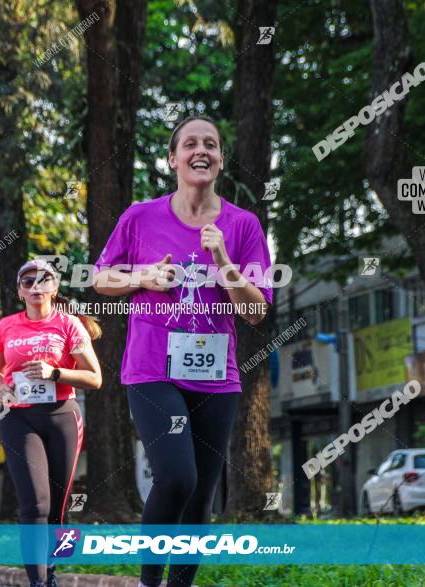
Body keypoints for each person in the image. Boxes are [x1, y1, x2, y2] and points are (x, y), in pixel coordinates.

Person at [93, 115, 273, 587]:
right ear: (173, 159)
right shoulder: (140, 216)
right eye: (190, 144)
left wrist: (224, 262)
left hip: (217, 376)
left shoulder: (243, 225)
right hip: (153, 370)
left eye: (210, 144)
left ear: (220, 160)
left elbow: (256, 312)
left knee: (202, 495)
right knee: (176, 476)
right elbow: (99, 277)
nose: (201, 150)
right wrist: (143, 278)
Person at [0, 259, 102, 587]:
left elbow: (95, 378)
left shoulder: (69, 325)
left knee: (57, 508)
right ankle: (37, 582)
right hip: (19, 418)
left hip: (61, 416)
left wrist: (56, 373)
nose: (36, 286)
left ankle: (51, 571)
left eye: (43, 280)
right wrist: (0, 389)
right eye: (28, 281)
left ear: (55, 287)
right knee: (34, 503)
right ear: (20, 291)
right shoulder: (7, 326)